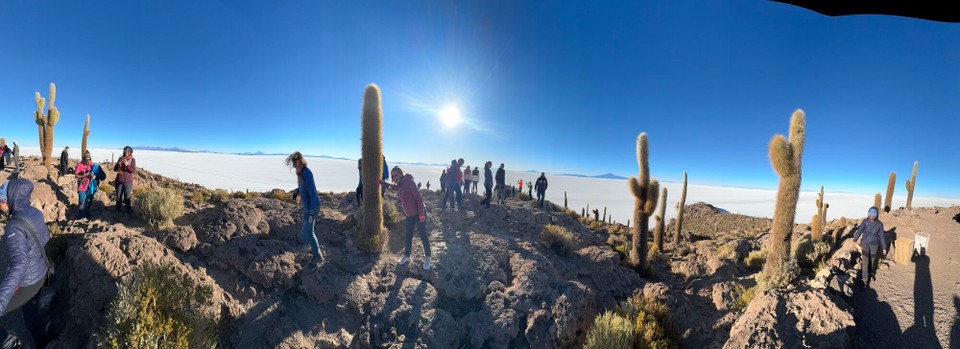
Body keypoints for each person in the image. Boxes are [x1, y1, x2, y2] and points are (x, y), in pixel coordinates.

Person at [0, 179, 52, 348]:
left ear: (11, 199)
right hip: (41, 272)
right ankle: (43, 342)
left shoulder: (13, 226)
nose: (0, 204)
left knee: (26, 313)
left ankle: (10, 343)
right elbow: (45, 238)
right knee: (31, 313)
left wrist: (1, 301)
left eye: (1, 199)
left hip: (27, 282)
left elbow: (19, 265)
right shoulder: (35, 213)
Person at [377, 166, 432, 270]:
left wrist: (421, 214)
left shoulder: (409, 182)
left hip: (419, 213)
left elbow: (419, 198)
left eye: (396, 175)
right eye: (393, 176)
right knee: (408, 235)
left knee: (422, 235)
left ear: (401, 174)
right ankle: (407, 256)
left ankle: (428, 257)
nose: (395, 177)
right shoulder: (400, 185)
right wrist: (380, 182)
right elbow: (391, 187)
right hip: (409, 215)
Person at [286, 152, 323, 268]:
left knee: (306, 233)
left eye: (295, 160)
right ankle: (315, 252)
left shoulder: (307, 173)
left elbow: (313, 194)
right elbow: (304, 187)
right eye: (292, 161)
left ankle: (317, 256)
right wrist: (297, 191)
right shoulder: (300, 173)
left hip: (313, 207)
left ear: (300, 160)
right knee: (308, 233)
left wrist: (311, 214)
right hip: (307, 207)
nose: (293, 163)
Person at [853, 206, 887, 288]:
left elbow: (882, 236)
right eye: (870, 213)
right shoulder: (865, 222)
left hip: (874, 245)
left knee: (872, 261)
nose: (871, 216)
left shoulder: (879, 224)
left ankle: (870, 273)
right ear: (868, 214)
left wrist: (884, 247)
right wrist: (854, 239)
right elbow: (860, 231)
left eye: (873, 214)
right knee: (865, 262)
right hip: (865, 244)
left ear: (876, 215)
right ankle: (865, 280)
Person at [113, 146, 136, 214]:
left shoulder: (132, 160)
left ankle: (128, 212)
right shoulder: (121, 158)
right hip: (119, 181)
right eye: (125, 151)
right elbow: (115, 169)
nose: (126, 152)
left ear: (130, 152)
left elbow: (132, 170)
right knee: (118, 196)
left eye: (128, 151)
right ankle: (118, 210)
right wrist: (118, 164)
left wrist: (127, 165)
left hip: (127, 182)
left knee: (127, 197)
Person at [75, 152, 94, 219]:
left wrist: (93, 175)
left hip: (90, 186)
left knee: (89, 201)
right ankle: (80, 215)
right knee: (82, 201)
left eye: (89, 159)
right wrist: (84, 175)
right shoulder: (80, 165)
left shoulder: (92, 164)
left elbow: (96, 172)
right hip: (82, 186)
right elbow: (76, 175)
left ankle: (87, 213)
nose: (88, 161)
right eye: (86, 160)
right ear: (84, 159)